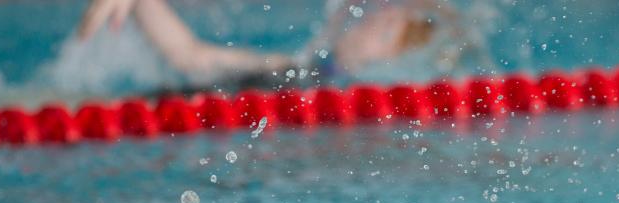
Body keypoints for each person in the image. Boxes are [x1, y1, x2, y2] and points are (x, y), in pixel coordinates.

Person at [75, 0, 471, 90]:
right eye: (373, 14)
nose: (363, 21)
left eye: (384, 30)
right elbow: (188, 55)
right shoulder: (291, 69)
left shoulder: (369, 101)